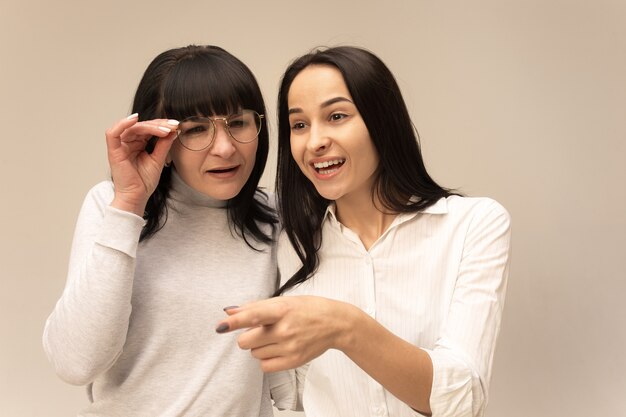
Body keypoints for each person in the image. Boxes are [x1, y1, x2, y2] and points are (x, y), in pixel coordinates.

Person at [217, 46, 512, 417]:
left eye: (336, 116)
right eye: (299, 125)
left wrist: (345, 326)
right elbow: (289, 398)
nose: (314, 142)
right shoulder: (291, 240)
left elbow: (460, 398)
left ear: (382, 120)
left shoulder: (473, 225)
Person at [43, 45, 279, 416]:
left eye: (238, 123)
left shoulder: (274, 218)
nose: (225, 147)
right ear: (161, 140)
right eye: (196, 129)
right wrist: (129, 205)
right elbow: (75, 363)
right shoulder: (112, 205)